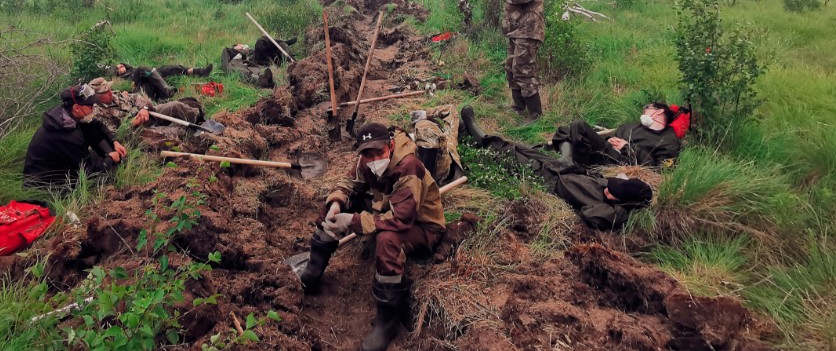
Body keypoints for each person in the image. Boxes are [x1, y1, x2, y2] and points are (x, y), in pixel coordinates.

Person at [299, 123, 446, 351]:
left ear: (391, 145)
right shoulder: (365, 161)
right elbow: (347, 183)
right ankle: (313, 272)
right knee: (334, 206)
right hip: (386, 209)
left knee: (387, 240)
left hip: (422, 227)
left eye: (379, 152)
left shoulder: (409, 167)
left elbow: (401, 219)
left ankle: (388, 322)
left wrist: (355, 222)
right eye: (368, 154)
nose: (374, 158)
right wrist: (336, 203)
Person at [461, 106, 654, 230]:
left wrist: (617, 207)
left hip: (548, 180)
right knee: (519, 146)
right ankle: (472, 134)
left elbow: (590, 215)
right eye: (613, 187)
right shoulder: (614, 187)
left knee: (505, 153)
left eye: (613, 194)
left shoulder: (612, 212)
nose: (609, 191)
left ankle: (475, 132)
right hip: (561, 167)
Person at [23, 84, 127, 190]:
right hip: (47, 185)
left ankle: (115, 158)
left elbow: (96, 126)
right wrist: (109, 161)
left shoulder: (67, 115)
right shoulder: (67, 133)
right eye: (90, 106)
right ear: (77, 108)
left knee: (91, 129)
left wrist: (114, 142)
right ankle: (114, 166)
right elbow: (89, 170)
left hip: (63, 167)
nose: (93, 109)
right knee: (97, 177)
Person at [552, 102, 681, 169]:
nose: (643, 111)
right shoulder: (631, 126)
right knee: (569, 128)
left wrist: (627, 147)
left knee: (578, 126)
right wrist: (610, 139)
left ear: (659, 111)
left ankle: (576, 162)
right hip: (606, 148)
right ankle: (571, 158)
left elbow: (658, 169)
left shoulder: (668, 141)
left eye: (646, 107)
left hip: (623, 162)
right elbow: (608, 139)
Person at [501, 0, 545, 121]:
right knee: (512, 67)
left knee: (523, 70)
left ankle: (535, 115)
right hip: (518, 31)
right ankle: (518, 107)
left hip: (527, 31)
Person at [88, 78, 205, 134]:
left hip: (151, 113)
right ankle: (189, 133)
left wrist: (144, 109)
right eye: (104, 92)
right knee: (169, 133)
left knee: (176, 105)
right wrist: (131, 124)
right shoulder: (98, 114)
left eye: (109, 89)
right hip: (139, 131)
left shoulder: (116, 94)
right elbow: (115, 136)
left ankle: (197, 118)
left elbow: (137, 98)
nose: (109, 93)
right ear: (96, 96)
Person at [220, 36, 297, 89]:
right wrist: (238, 52)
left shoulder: (250, 51)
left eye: (241, 44)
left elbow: (253, 51)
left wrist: (245, 50)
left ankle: (285, 47)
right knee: (237, 70)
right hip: (255, 64)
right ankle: (263, 80)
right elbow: (228, 65)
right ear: (235, 47)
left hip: (259, 57)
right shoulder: (230, 53)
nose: (241, 45)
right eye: (239, 45)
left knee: (261, 41)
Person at [112, 62, 213, 102]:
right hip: (139, 84)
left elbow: (128, 66)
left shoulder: (130, 69)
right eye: (119, 68)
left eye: (122, 65)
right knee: (141, 69)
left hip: (149, 78)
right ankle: (166, 90)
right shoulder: (122, 79)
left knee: (168, 68)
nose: (122, 67)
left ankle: (198, 71)